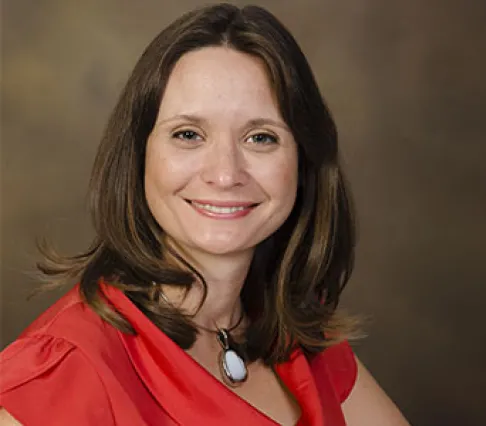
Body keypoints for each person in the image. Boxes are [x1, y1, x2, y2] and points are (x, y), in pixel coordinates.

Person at [0, 4, 409, 425]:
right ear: (139, 156)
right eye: (189, 135)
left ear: (303, 163)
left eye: (261, 137)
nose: (226, 173)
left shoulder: (301, 337)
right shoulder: (69, 371)